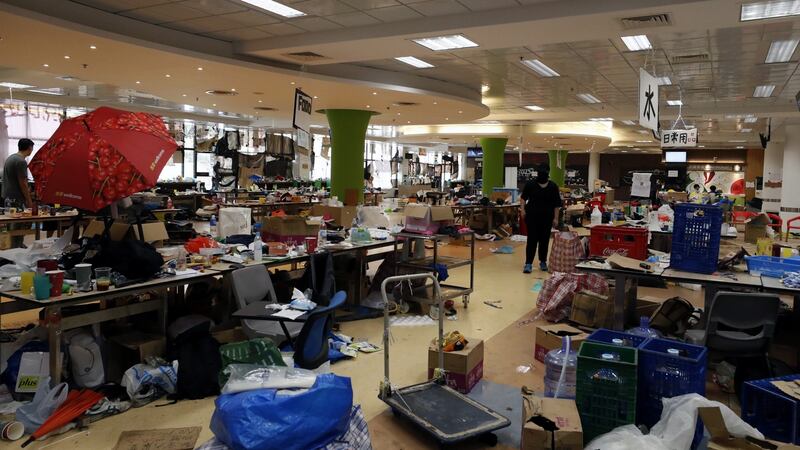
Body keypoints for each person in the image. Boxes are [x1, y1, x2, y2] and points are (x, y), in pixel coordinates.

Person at [520, 166, 562, 273]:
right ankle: (528, 263)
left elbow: (557, 204)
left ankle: (543, 261)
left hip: (547, 218)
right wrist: (522, 210)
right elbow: (523, 198)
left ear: (547, 175)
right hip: (532, 217)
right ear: (538, 174)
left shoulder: (553, 186)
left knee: (544, 240)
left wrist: (556, 218)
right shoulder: (530, 184)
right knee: (532, 240)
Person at [2, 139, 34, 248]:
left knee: (11, 225)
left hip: (8, 198)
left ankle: (16, 246)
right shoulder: (21, 161)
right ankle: (16, 248)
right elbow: (23, 183)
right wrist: (29, 200)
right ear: (30, 148)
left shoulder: (10, 158)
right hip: (17, 199)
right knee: (18, 226)